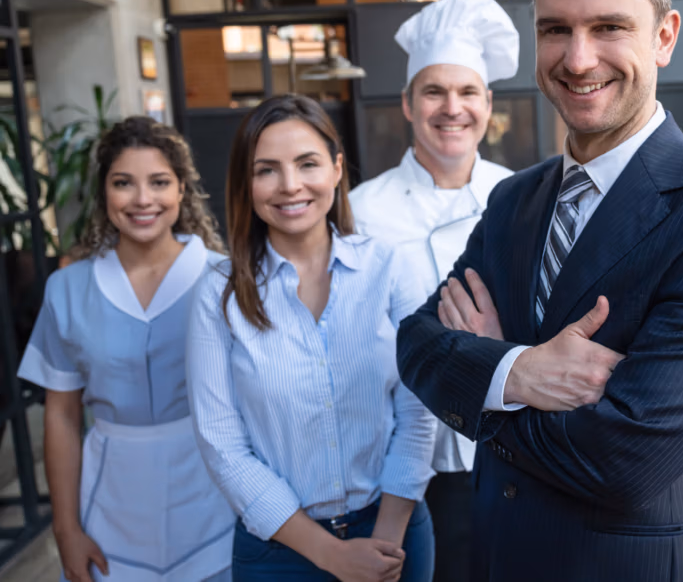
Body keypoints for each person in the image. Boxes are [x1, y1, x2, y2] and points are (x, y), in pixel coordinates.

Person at [396, 0, 683, 582]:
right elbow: (416, 343)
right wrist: (519, 371)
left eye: (608, 27)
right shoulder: (515, 200)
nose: (578, 60)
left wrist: (485, 380)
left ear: (664, 36)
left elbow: (625, 461)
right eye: (556, 30)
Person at [187, 95, 436, 582]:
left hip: (394, 533)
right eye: (267, 170)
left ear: (337, 169)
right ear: (245, 183)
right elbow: (222, 445)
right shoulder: (218, 292)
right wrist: (332, 555)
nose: (290, 185)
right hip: (279, 552)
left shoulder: (388, 267)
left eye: (307, 164)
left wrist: (385, 543)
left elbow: (419, 411)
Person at [17, 116, 234, 582]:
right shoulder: (67, 290)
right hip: (109, 510)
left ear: (182, 190)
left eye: (159, 182)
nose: (142, 199)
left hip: (218, 502)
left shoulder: (227, 280)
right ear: (104, 193)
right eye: (123, 183)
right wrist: (66, 530)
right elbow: (61, 416)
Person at [349, 0, 517, 582]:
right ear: (406, 103)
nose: (452, 108)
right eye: (433, 92)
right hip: (398, 468)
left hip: (507, 451)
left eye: (468, 91)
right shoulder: (360, 212)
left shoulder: (519, 197)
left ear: (488, 104)